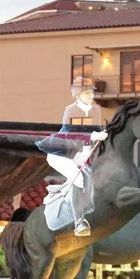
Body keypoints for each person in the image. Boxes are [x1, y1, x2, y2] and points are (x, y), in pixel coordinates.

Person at [39, 76, 106, 237]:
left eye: (91, 92)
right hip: (61, 153)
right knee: (79, 178)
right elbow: (71, 135)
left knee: (89, 177)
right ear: (77, 95)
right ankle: (79, 222)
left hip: (80, 155)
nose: (90, 96)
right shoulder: (70, 110)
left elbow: (93, 136)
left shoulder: (96, 110)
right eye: (87, 93)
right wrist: (94, 135)